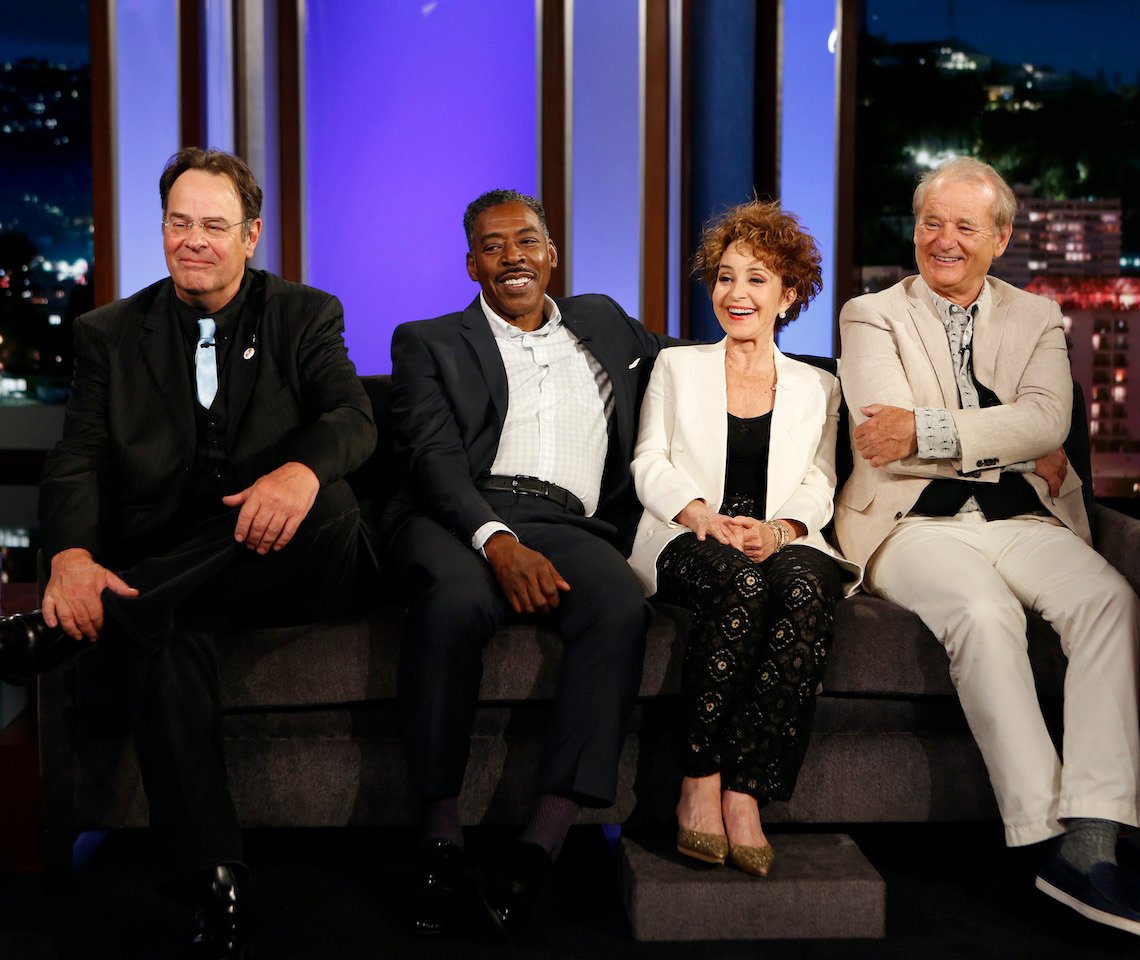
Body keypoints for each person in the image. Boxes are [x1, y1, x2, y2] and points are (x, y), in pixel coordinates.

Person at [0, 148, 375, 959]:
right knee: (162, 629)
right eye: (179, 223)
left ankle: (104, 606)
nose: (193, 241)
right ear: (162, 229)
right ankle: (214, 878)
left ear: (251, 235)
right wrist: (68, 555)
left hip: (294, 566)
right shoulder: (107, 333)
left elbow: (353, 417)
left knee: (333, 501)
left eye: (213, 225)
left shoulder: (305, 314)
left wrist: (299, 472)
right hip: (185, 571)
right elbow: (80, 456)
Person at [834, 157, 1140, 939]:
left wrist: (936, 429)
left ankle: (1093, 832)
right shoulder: (869, 313)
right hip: (909, 524)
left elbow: (1048, 422)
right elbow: (884, 444)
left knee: (1108, 601)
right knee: (984, 615)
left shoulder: (1038, 315)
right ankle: (1052, 841)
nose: (942, 240)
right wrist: (1006, 440)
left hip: (1024, 519)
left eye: (963, 227)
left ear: (1002, 238)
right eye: (929, 223)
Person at [381, 189, 669, 934]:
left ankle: (542, 841)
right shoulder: (427, 340)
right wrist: (498, 542)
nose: (512, 255)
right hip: (457, 512)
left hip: (569, 519)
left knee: (617, 603)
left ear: (552, 254)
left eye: (527, 240)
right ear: (472, 263)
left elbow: (698, 369)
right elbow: (434, 463)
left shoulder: (603, 320)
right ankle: (440, 834)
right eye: (493, 244)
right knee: (454, 603)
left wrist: (831, 380)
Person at [628, 200, 859, 878]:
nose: (737, 294)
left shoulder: (820, 386)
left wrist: (781, 529)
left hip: (779, 533)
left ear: (788, 295)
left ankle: (746, 791)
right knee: (741, 581)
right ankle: (699, 779)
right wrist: (700, 515)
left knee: (804, 586)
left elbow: (820, 482)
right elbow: (649, 462)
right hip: (687, 532)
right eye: (725, 277)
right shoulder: (676, 367)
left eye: (757, 279)